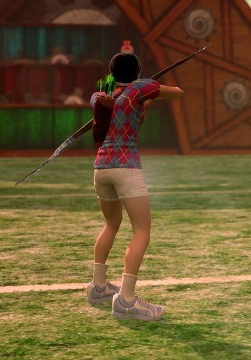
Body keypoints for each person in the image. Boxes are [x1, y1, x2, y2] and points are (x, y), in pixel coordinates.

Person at [85, 52, 183, 321]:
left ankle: (97, 286)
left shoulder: (99, 96)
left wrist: (144, 95)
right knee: (142, 230)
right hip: (126, 167)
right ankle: (126, 299)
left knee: (111, 225)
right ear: (137, 73)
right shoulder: (140, 88)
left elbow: (124, 106)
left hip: (101, 168)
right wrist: (148, 86)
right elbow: (177, 93)